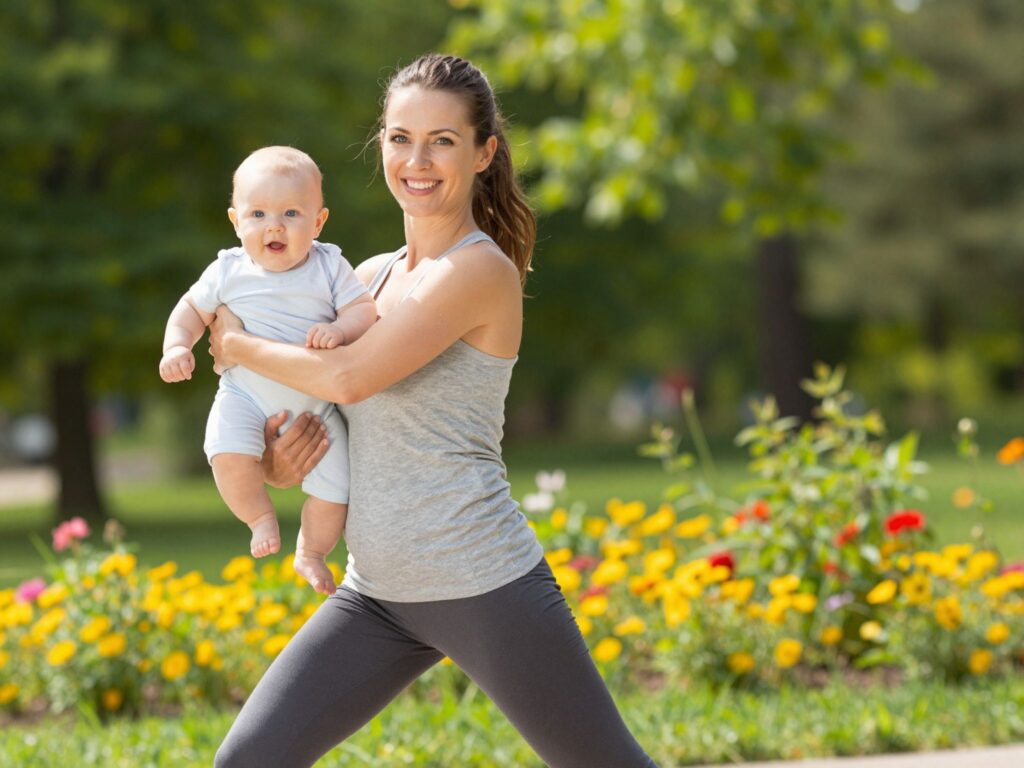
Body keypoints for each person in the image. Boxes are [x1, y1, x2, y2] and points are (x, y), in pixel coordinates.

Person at [211, 55, 656, 768]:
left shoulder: (478, 271)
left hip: (483, 583)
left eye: (442, 141)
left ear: (484, 153)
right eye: (399, 137)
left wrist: (235, 342)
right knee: (247, 761)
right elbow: (319, 407)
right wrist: (276, 459)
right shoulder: (366, 278)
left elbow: (349, 377)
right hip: (378, 595)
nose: (416, 160)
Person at [159, 146, 376, 595]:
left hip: (316, 407)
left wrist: (340, 328)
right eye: (257, 213)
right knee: (226, 451)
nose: (273, 225)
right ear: (236, 222)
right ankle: (259, 517)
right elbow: (189, 311)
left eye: (291, 213)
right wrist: (177, 345)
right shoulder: (227, 270)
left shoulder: (329, 265)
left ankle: (311, 552)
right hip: (246, 394)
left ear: (318, 223)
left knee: (335, 489)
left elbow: (364, 311)